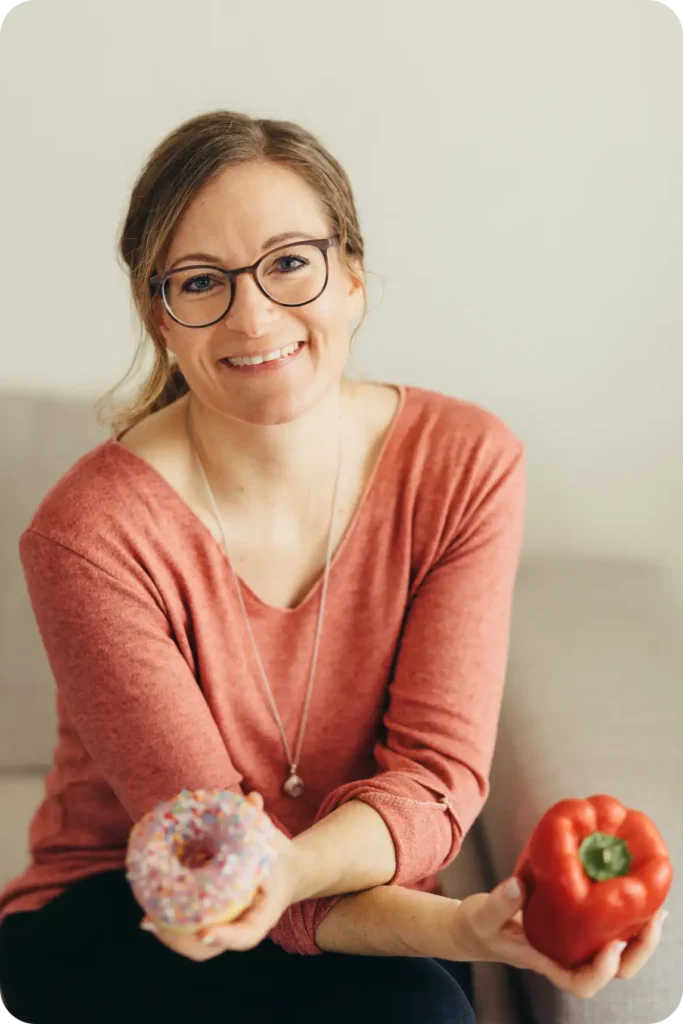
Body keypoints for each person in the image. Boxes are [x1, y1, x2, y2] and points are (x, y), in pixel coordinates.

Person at [0, 111, 663, 1024]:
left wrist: (459, 925)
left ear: (350, 275)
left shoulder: (464, 464)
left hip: (360, 885)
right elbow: (217, 854)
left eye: (288, 262)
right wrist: (453, 928)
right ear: (160, 318)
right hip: (133, 907)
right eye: (201, 283)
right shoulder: (88, 534)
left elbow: (434, 777)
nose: (254, 314)